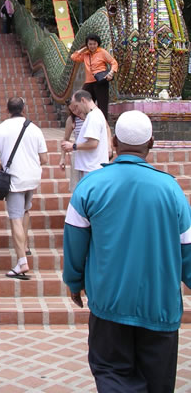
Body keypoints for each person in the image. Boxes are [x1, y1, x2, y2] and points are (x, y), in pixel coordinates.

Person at [63, 110, 191, 392]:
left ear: (114, 144)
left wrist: (75, 282)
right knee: (158, 383)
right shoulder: (172, 191)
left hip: (109, 305)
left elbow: (74, 243)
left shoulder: (90, 186)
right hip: (161, 308)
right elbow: (187, 250)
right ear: (152, 144)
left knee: (112, 377)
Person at [0, 97, 48, 279]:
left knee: (15, 219)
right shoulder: (34, 129)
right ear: (24, 109)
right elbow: (44, 159)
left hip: (14, 180)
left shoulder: (0, 129)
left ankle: (21, 262)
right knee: (25, 211)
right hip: (32, 178)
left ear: (7, 110)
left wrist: (2, 167)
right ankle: (25, 245)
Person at [61, 90, 108, 180]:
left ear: (83, 100)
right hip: (92, 167)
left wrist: (73, 146)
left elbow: (93, 143)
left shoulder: (93, 116)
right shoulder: (96, 114)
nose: (76, 111)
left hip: (92, 168)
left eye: (76, 107)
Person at [70, 34, 118, 120]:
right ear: (87, 45)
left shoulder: (102, 52)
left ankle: (104, 126)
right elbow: (73, 57)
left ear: (98, 44)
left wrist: (111, 72)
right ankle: (83, 121)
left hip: (101, 81)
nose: (92, 46)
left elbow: (113, 62)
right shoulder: (85, 54)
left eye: (94, 44)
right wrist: (83, 49)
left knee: (102, 105)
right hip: (89, 82)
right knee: (80, 99)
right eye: (90, 44)